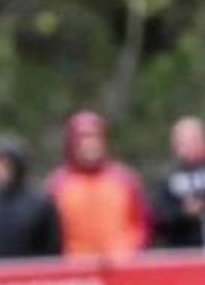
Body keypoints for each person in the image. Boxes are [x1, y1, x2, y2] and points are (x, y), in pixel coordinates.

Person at [48, 110, 151, 257]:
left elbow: (142, 225)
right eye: (83, 138)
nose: (90, 144)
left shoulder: (125, 179)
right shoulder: (58, 185)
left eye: (95, 138)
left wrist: (133, 252)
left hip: (122, 263)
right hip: (76, 265)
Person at [0, 133, 63, 257]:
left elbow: (52, 249)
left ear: (18, 167)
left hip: (29, 267)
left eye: (5, 165)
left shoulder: (40, 205)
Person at [153, 116, 205, 248]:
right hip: (185, 250)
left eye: (195, 140)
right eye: (185, 143)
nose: (191, 147)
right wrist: (184, 212)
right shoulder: (167, 178)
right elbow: (158, 218)